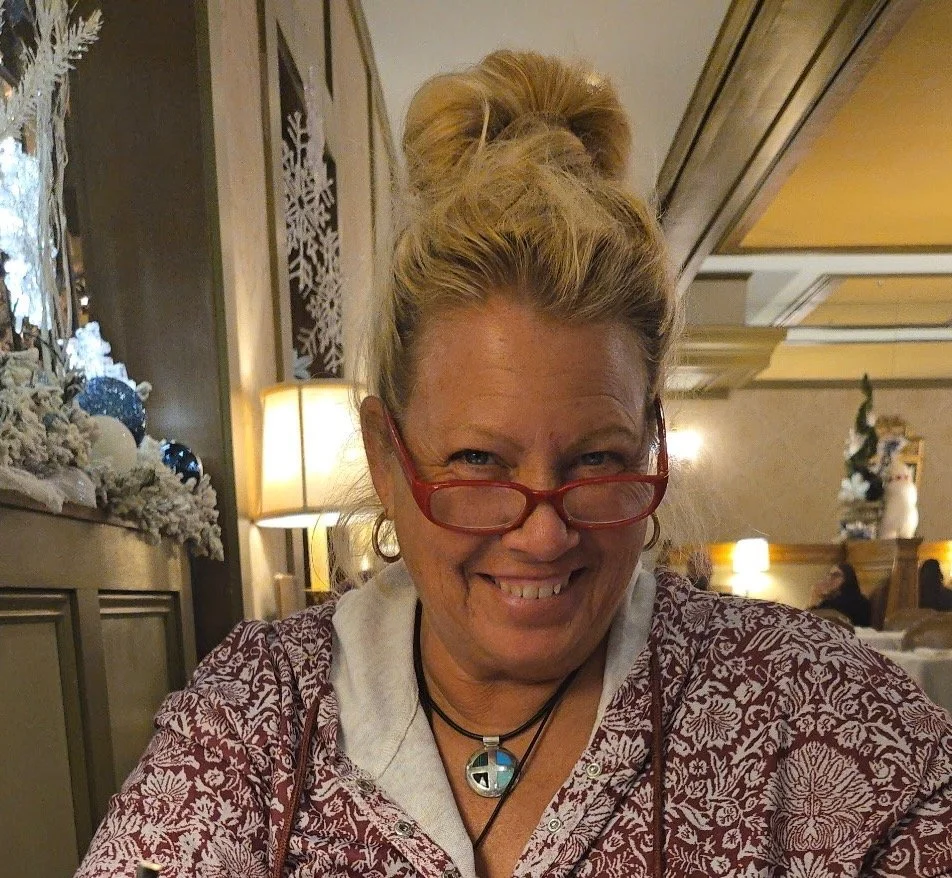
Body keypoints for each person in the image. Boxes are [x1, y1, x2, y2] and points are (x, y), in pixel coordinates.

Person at [76, 50, 951, 878]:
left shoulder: (817, 707)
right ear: (386, 457)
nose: (542, 534)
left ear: (650, 444)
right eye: (478, 461)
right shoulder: (256, 718)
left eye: (598, 460)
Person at [808, 561, 872, 627]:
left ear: (847, 578)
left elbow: (810, 621)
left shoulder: (854, 601)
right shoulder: (831, 601)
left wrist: (814, 595)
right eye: (829, 575)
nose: (830, 578)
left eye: (836, 575)